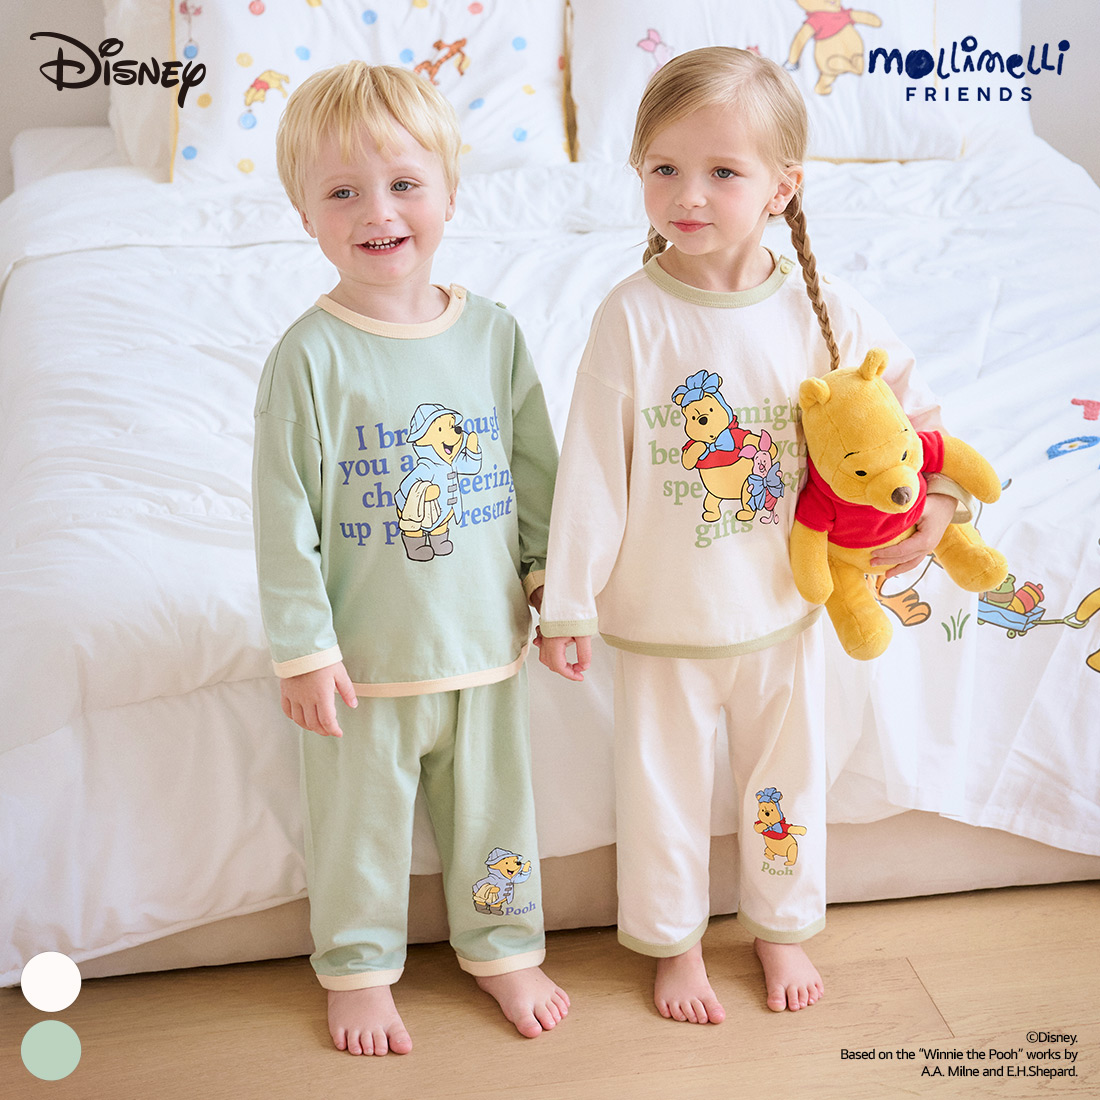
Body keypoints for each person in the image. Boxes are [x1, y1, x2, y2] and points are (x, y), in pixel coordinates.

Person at [537, 47, 969, 1023]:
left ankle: (779, 924)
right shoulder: (630, 317)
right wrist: (567, 601)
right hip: (662, 618)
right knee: (662, 795)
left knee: (784, 786)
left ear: (782, 187)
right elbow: (592, 470)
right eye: (663, 168)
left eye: (721, 171)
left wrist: (937, 502)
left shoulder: (822, 309)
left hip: (782, 610)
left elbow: (908, 416)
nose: (687, 195)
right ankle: (674, 944)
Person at [252, 61, 566, 1056]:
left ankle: (503, 947)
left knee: (495, 818)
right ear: (305, 214)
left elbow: (536, 473)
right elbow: (281, 516)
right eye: (342, 192)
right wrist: (302, 649)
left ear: (449, 193)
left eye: (402, 184)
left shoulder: (493, 335)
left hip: (485, 644)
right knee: (360, 828)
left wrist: (549, 582)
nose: (377, 212)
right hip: (364, 662)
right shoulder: (309, 356)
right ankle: (356, 968)